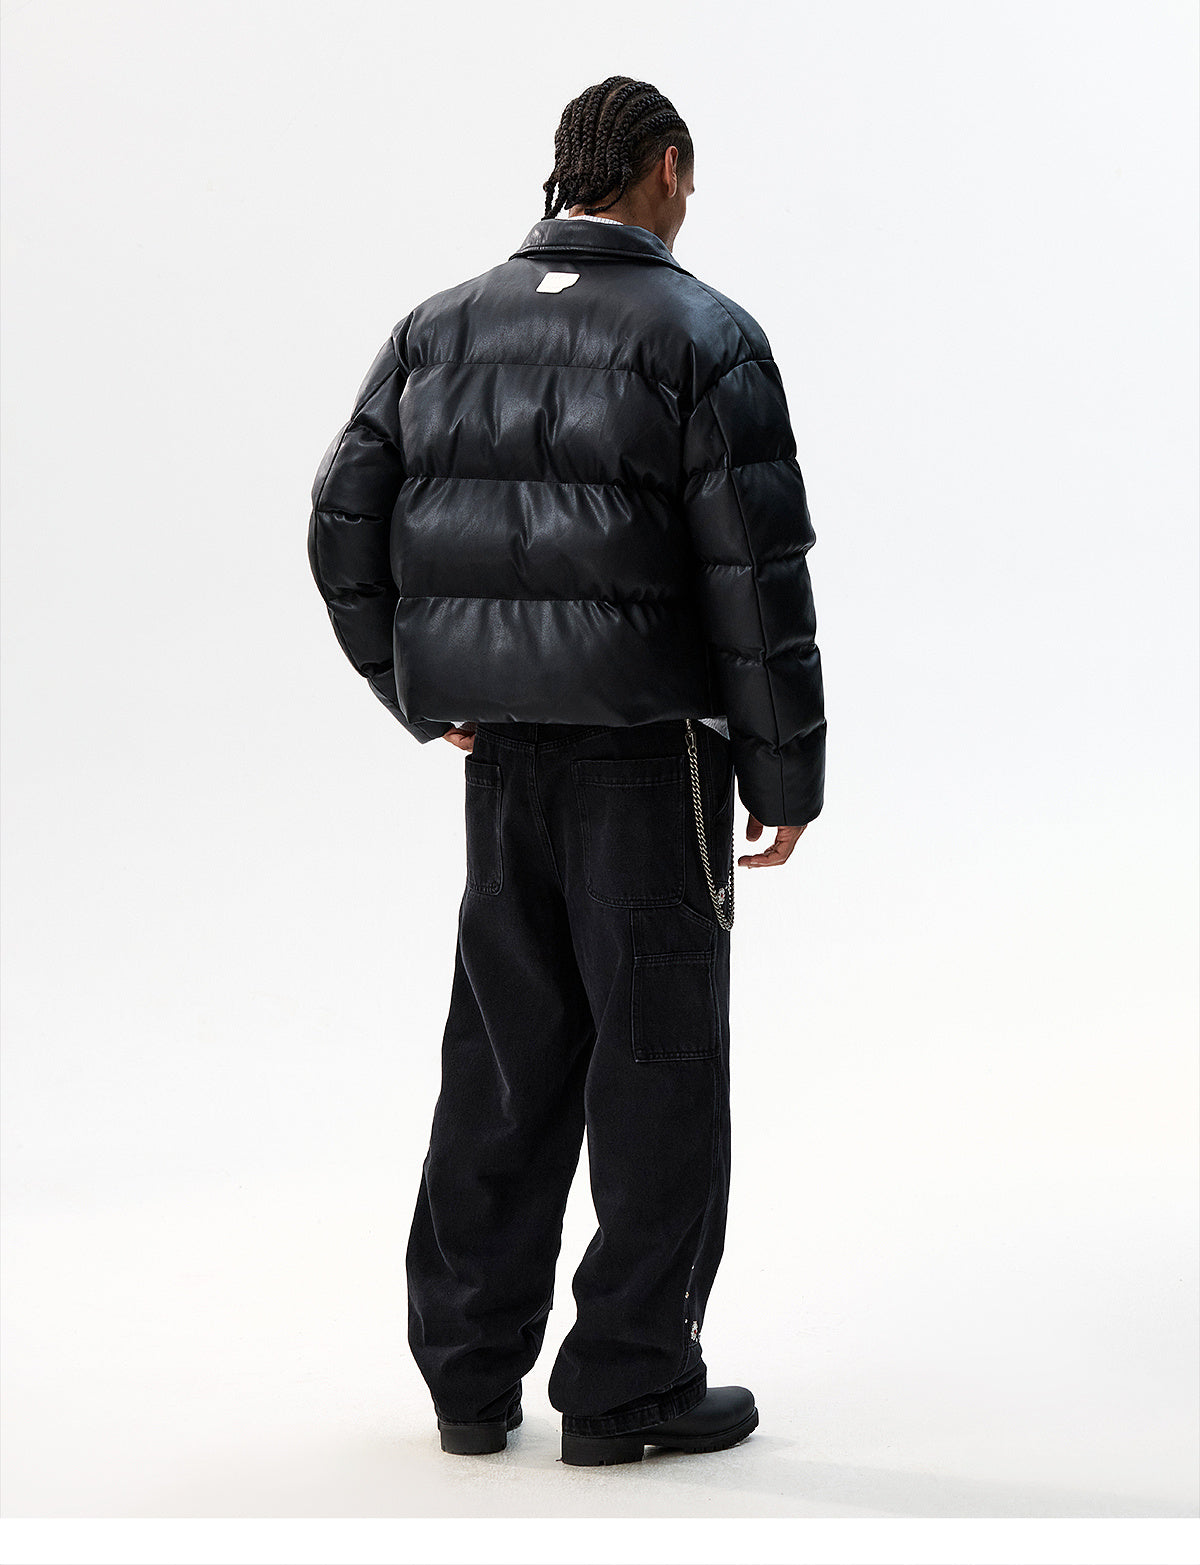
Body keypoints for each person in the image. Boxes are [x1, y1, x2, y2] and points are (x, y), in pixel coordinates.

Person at [307, 75, 826, 1467]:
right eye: (685, 177)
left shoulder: (441, 327)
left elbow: (340, 521)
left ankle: (470, 1382)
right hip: (652, 764)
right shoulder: (705, 335)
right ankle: (629, 1381)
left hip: (505, 767)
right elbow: (756, 573)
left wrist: (419, 687)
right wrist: (784, 774)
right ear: (668, 168)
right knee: (658, 1064)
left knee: (502, 1058)